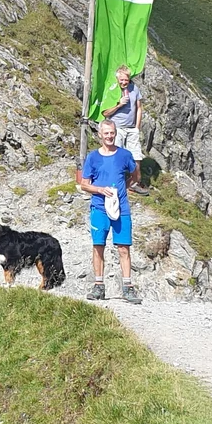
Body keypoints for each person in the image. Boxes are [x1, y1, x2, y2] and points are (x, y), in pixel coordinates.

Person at [78, 120, 141, 303]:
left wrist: (125, 188)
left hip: (121, 208)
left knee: (123, 248)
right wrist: (100, 190)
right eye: (106, 133)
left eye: (112, 133)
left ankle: (128, 287)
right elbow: (84, 184)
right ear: (100, 135)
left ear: (115, 133)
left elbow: (135, 175)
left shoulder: (124, 155)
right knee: (98, 246)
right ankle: (99, 286)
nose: (109, 136)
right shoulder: (92, 157)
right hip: (99, 208)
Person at [100, 64, 143, 162]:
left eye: (126, 80)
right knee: (116, 156)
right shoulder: (112, 90)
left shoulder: (134, 89)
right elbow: (105, 113)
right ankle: (118, 176)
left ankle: (135, 177)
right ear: (117, 78)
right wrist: (119, 105)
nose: (124, 82)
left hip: (132, 129)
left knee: (136, 157)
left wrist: (137, 127)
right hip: (117, 129)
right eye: (121, 80)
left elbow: (139, 108)